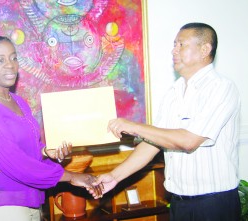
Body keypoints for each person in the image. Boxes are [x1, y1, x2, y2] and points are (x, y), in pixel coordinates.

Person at [89, 22, 241, 221]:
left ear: (205, 49)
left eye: (181, 45)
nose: (173, 50)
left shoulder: (221, 88)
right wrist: (114, 177)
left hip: (213, 205)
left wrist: (133, 126)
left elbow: (189, 141)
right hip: (179, 205)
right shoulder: (174, 92)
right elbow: (152, 144)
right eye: (174, 44)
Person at [0, 35, 102, 221]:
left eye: (13, 58)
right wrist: (71, 176)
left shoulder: (19, 102)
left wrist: (46, 152)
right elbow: (13, 161)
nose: (10, 65)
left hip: (29, 197)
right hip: (0, 200)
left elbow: (28, 148)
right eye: (0, 60)